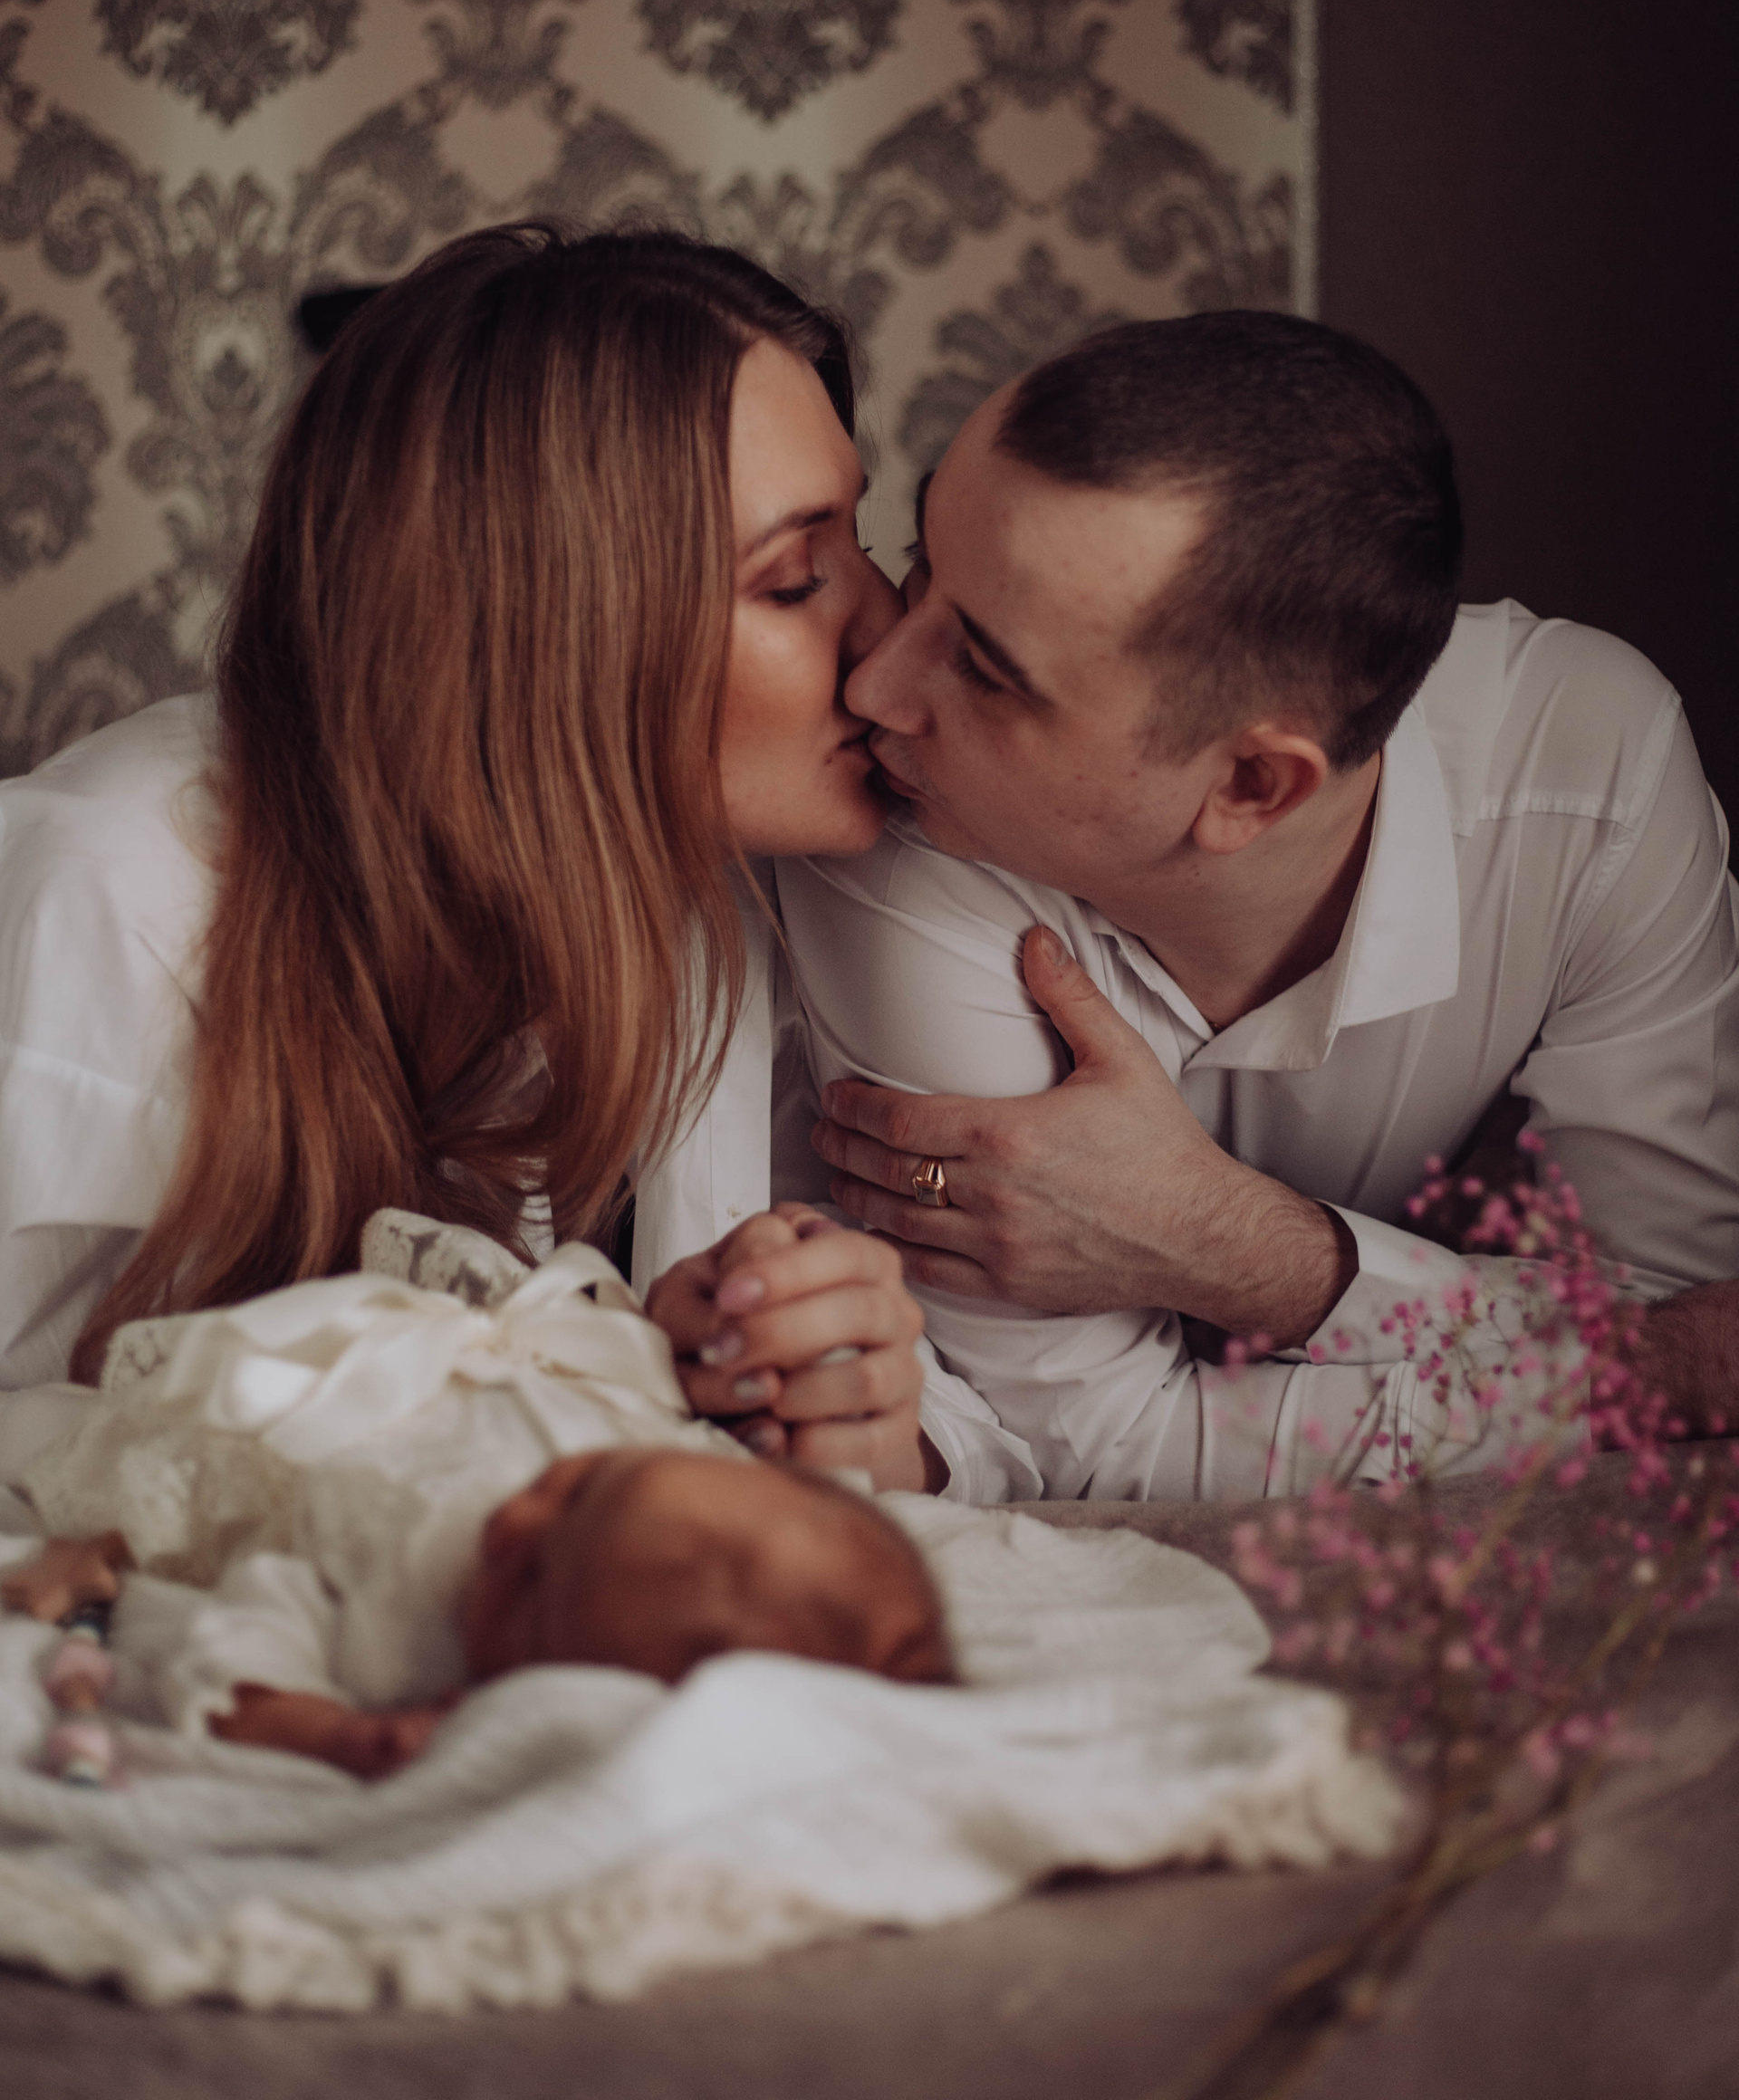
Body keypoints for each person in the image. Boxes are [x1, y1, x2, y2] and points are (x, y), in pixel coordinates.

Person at [0, 225, 940, 1492]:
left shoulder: (746, 877)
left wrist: (826, 1405)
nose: (891, 640)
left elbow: (999, 1405)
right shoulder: (99, 904)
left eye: (860, 541)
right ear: (547, 627)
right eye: (791, 581)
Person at [776, 313, 1739, 1498]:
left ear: (1249, 786)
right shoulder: (893, 820)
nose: (870, 683)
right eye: (918, 561)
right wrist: (1636, 1370)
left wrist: (1253, 1254)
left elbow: (1680, 1320)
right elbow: (1102, 1444)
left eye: (981, 666)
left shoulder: (1590, 782)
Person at [2, 1206, 952, 1781]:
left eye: (532, 1584)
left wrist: (320, 1731)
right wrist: (717, 1350)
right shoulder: (672, 1475)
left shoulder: (403, 1647)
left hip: (228, 1447)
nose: (516, 1518)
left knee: (41, 1439)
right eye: (585, 1487)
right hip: (408, 1344)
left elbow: (248, 1630)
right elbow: (731, 1452)